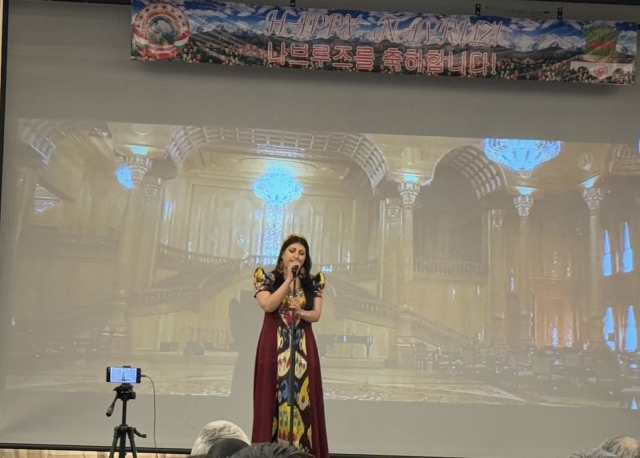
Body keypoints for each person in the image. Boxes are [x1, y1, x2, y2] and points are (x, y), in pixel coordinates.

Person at [252, 234, 329, 458]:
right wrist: (287, 281)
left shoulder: (314, 282)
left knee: (303, 401)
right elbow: (267, 305)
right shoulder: (265, 278)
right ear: (283, 254)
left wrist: (301, 312)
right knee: (270, 402)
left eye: (301, 253)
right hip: (273, 348)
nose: (296, 256)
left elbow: (315, 315)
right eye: (292, 251)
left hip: (303, 348)